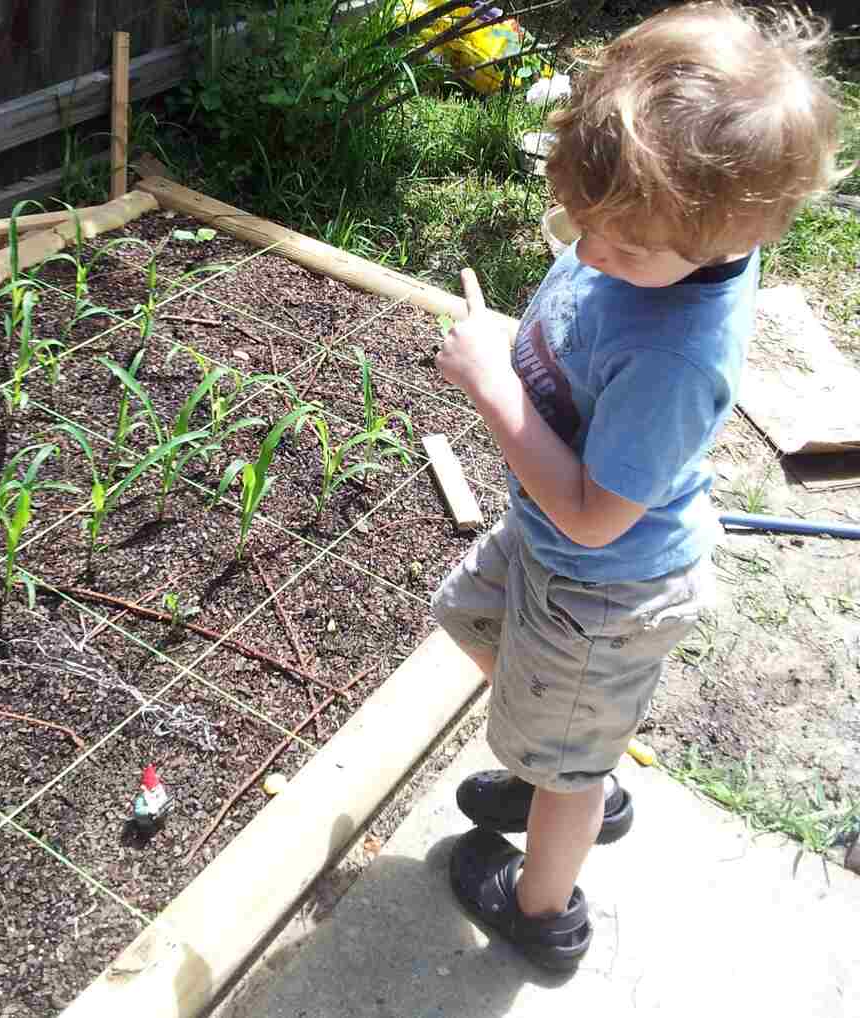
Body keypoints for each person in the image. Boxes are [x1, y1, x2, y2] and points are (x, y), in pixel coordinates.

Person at [431, 1, 848, 971]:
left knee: (565, 759)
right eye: (582, 220)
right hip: (553, 551)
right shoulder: (671, 234)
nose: (585, 253)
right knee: (468, 616)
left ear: (732, 230)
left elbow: (591, 514)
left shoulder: (674, 359)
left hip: (600, 587)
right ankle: (567, 761)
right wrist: (609, 242)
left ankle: (545, 903)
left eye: (620, 245)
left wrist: (496, 387)